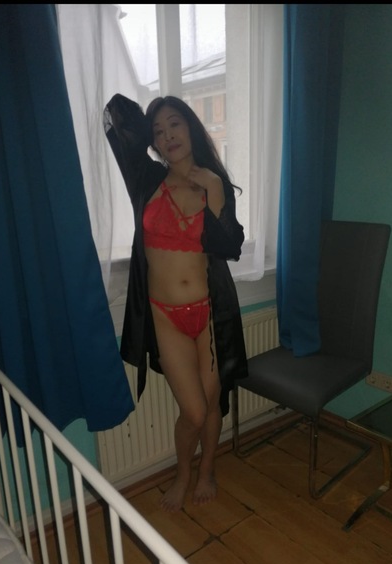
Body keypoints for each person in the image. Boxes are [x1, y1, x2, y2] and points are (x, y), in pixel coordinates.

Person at [103, 93, 248, 513]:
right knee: (194, 411)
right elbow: (115, 116)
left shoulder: (214, 183)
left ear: (191, 128)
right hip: (165, 316)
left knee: (212, 403)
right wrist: (147, 116)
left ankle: (206, 471)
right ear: (152, 142)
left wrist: (216, 189)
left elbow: (229, 247)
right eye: (159, 131)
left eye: (175, 124)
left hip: (208, 312)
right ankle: (183, 473)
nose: (168, 135)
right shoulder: (146, 178)